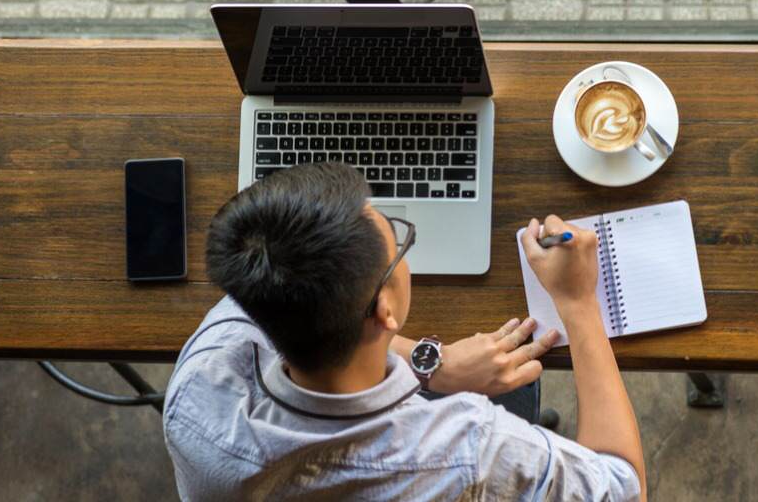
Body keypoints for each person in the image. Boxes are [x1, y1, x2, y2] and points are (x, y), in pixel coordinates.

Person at [162, 162, 646, 501]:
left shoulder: (198, 388)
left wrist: (433, 365)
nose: (400, 242)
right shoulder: (469, 449)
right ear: (386, 308)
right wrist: (578, 303)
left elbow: (284, 304)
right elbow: (624, 487)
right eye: (397, 239)